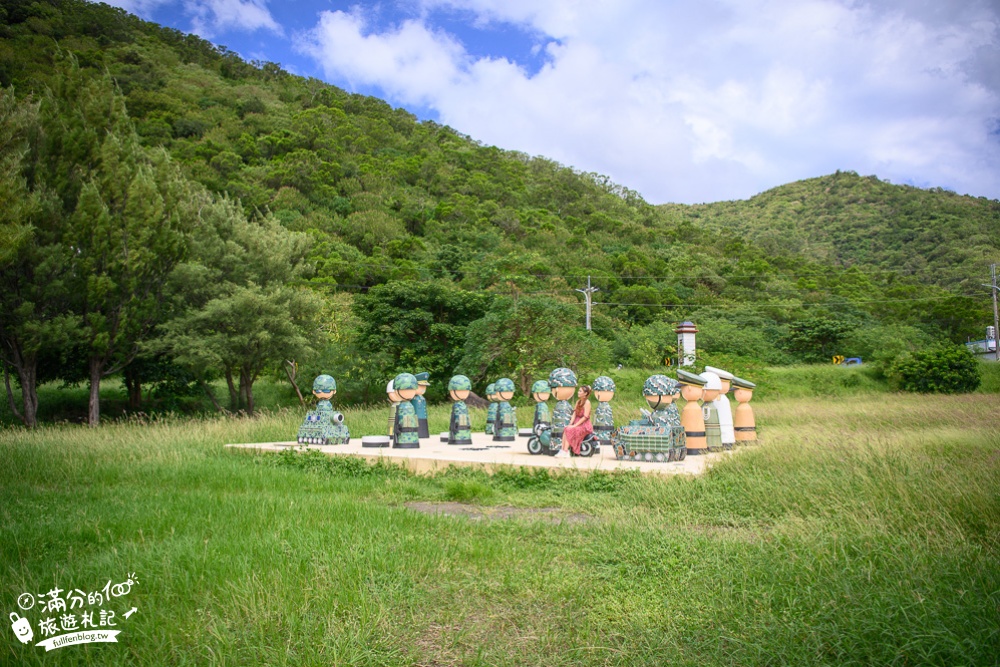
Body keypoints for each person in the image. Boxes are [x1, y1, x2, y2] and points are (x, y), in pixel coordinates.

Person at [556, 385, 593, 457]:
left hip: (584, 425)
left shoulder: (587, 402)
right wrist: (571, 423)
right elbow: (574, 413)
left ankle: (566, 451)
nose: (578, 392)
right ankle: (562, 450)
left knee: (570, 429)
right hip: (576, 422)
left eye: (580, 391)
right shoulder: (578, 402)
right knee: (567, 428)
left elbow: (585, 417)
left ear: (585, 393)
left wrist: (575, 425)